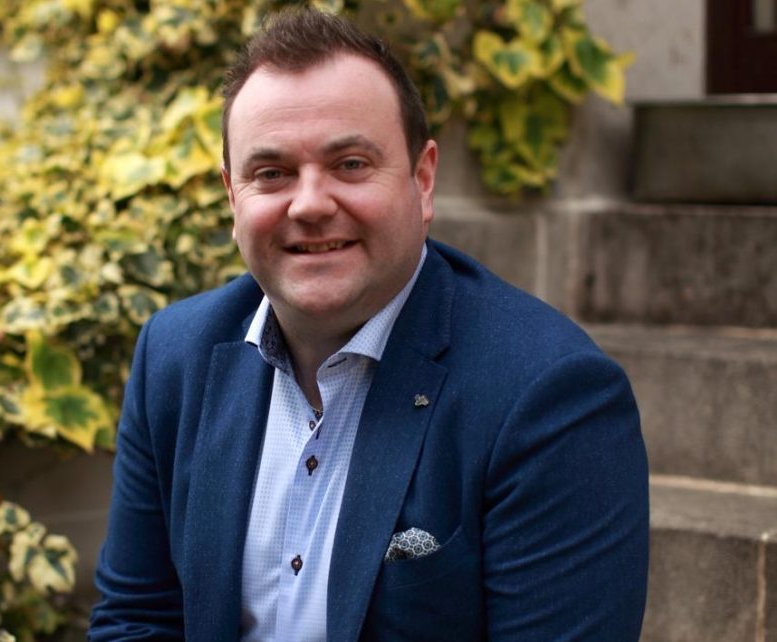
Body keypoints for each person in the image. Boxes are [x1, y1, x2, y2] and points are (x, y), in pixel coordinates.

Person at [89, 8, 648, 642]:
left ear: (423, 178)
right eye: (270, 174)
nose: (309, 204)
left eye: (351, 164)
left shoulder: (548, 396)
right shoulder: (175, 355)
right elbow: (136, 622)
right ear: (231, 196)